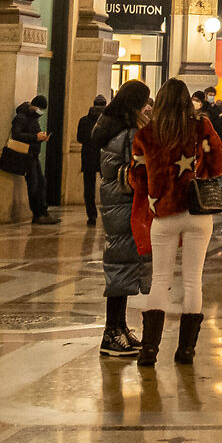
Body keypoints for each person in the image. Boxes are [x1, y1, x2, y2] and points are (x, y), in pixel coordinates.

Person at [129, 77, 222, 367]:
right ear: (188, 101)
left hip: (163, 213)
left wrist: (155, 189)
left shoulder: (146, 134)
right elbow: (220, 164)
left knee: (160, 280)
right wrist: (201, 171)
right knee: (192, 281)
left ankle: (149, 351)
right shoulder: (201, 127)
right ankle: (186, 351)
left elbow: (136, 177)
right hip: (197, 214)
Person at [95, 79, 152, 356]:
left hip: (114, 203)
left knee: (123, 263)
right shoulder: (129, 133)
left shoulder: (110, 127)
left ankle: (120, 325)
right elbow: (141, 168)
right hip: (126, 205)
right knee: (120, 266)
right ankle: (111, 332)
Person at [10, 93, 55, 225]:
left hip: (33, 155)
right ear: (34, 105)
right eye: (40, 108)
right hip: (26, 156)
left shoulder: (33, 117)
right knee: (34, 185)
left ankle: (43, 212)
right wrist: (36, 137)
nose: (40, 112)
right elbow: (16, 134)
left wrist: (42, 137)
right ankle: (37, 214)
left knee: (41, 183)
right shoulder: (21, 117)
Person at [76, 94, 107, 228]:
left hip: (88, 155)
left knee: (89, 188)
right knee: (106, 186)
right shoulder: (107, 120)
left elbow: (79, 138)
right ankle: (106, 213)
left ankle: (91, 216)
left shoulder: (83, 120)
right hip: (103, 155)